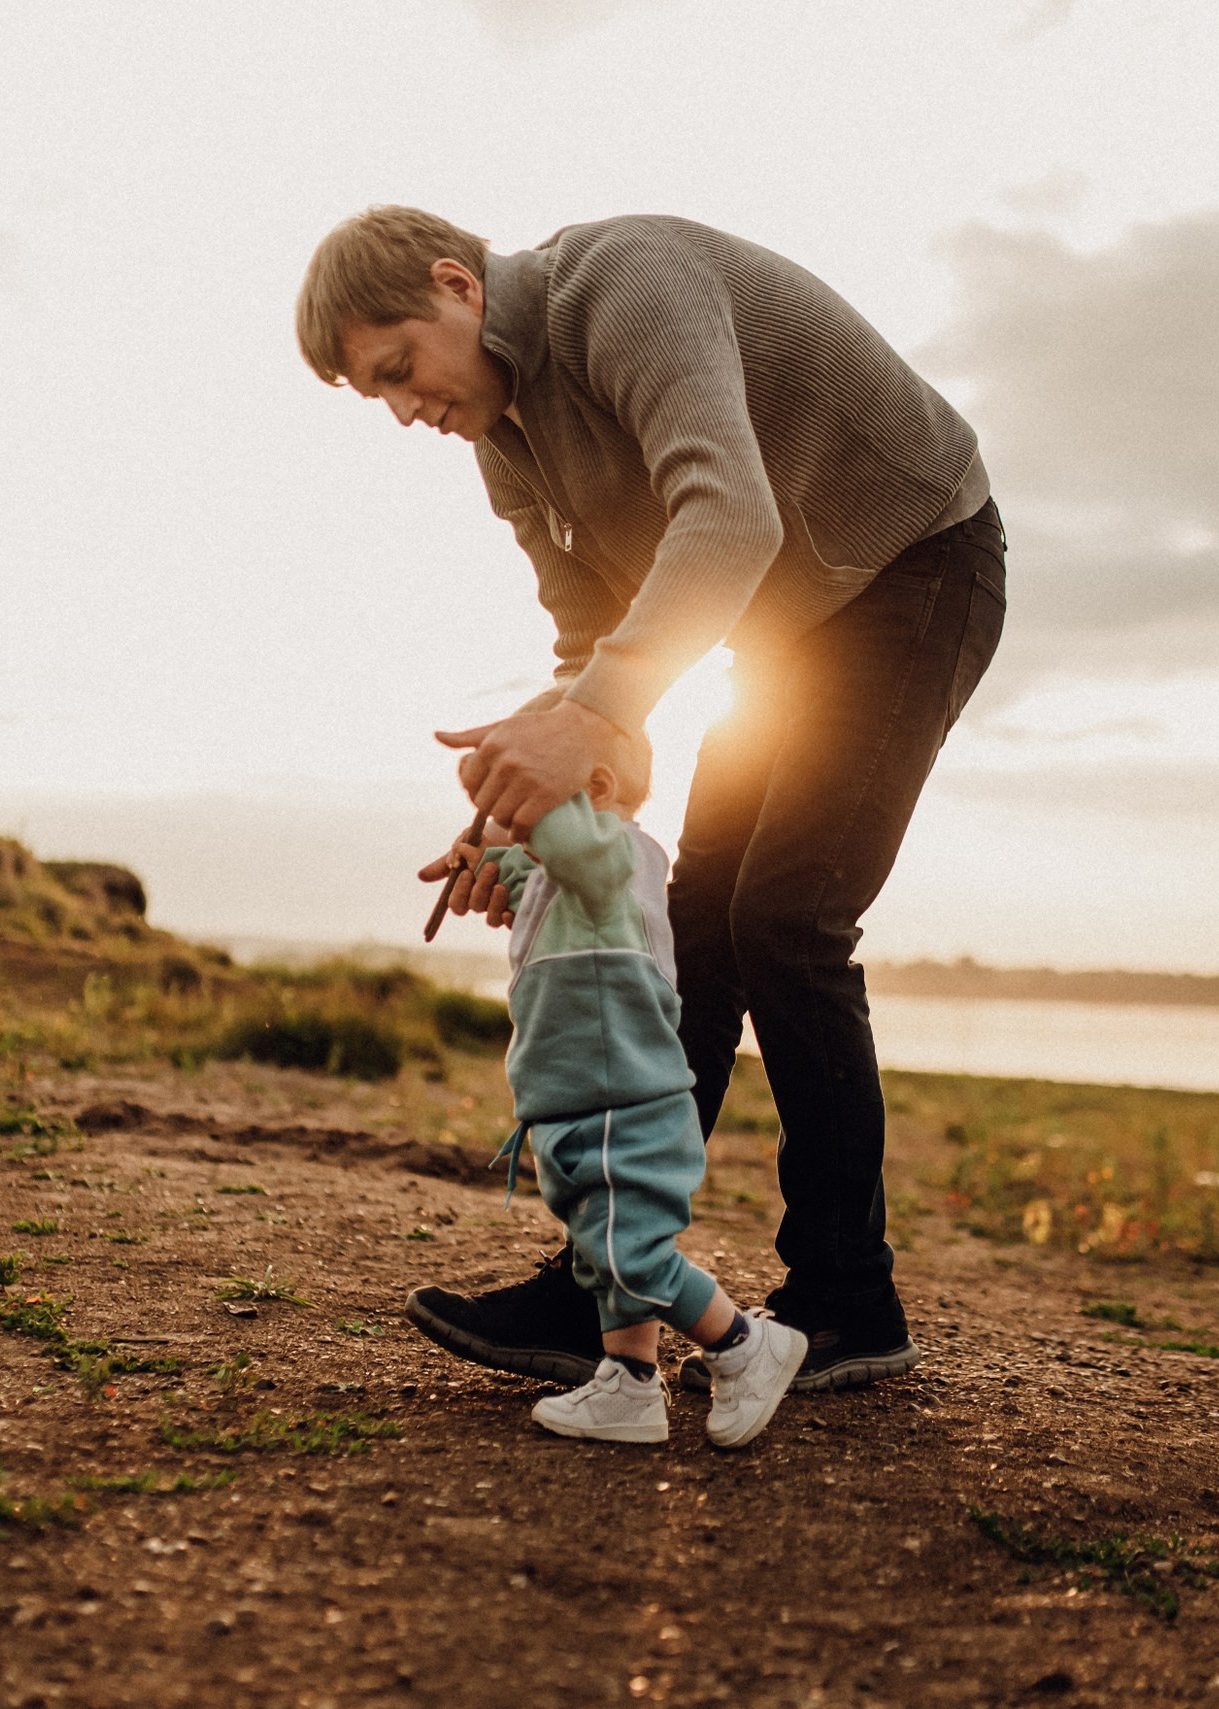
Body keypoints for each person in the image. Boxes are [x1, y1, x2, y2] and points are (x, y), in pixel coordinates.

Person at [297, 207, 1005, 1393]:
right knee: (695, 924)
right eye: (379, 395)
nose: (406, 408)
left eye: (399, 368)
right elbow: (594, 651)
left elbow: (731, 512)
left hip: (912, 563)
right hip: (783, 627)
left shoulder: (625, 286)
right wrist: (521, 814)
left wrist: (583, 719)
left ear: (455, 285)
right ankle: (603, 1285)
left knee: (788, 916)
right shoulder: (505, 444)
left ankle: (849, 1296)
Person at [455, 722, 805, 1445]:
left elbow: (571, 849)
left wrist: (484, 777)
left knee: (630, 1253)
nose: (516, 807)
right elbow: (531, 873)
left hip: (621, 1099)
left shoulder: (616, 854)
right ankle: (630, 1384)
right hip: (584, 1099)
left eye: (531, 792)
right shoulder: (573, 875)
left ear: (597, 790)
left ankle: (745, 1343)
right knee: (604, 1243)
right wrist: (480, 856)